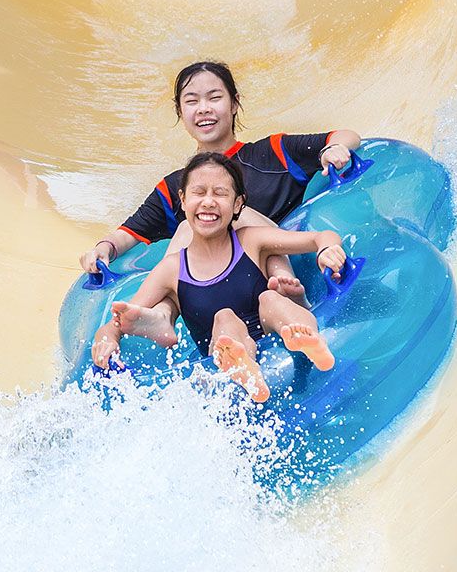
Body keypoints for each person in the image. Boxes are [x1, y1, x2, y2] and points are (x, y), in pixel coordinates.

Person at [78, 60, 361, 314]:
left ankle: (291, 301)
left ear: (234, 103)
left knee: (217, 223)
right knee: (188, 229)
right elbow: (128, 234)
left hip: (277, 272)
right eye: (192, 101)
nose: (204, 109)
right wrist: (103, 249)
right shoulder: (178, 186)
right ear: (180, 110)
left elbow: (347, 135)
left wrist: (333, 149)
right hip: (218, 298)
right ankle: (161, 315)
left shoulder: (273, 153)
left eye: (214, 98)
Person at [92, 152, 347, 404]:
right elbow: (118, 321)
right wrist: (107, 338)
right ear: (182, 200)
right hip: (224, 349)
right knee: (224, 318)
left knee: (271, 298)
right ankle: (245, 369)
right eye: (199, 192)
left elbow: (320, 237)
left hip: (272, 331)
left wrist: (326, 250)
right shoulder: (172, 269)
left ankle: (311, 341)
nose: (208, 202)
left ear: (237, 204)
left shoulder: (251, 240)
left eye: (220, 193)